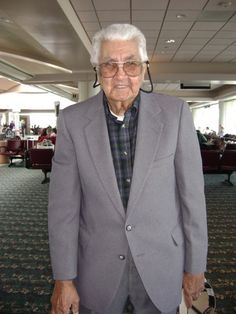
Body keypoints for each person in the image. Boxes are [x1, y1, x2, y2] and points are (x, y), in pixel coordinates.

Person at [48, 24, 208, 314]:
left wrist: (195, 266)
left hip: (162, 265)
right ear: (97, 70)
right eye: (110, 65)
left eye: (131, 64)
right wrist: (63, 278)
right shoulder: (72, 122)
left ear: (144, 69)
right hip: (97, 270)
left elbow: (193, 200)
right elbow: (63, 209)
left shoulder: (176, 115)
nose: (120, 75)